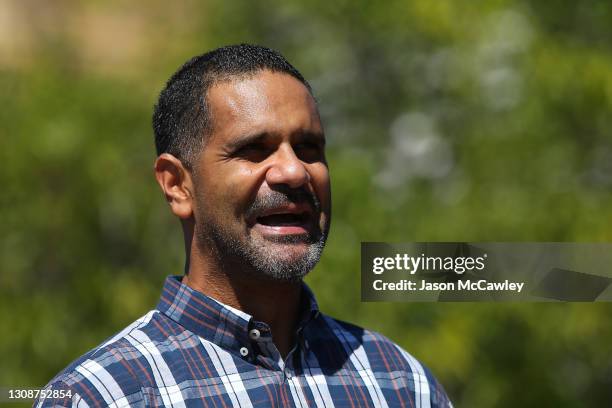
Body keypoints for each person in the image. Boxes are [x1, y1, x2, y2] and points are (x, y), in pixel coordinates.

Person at [36, 44, 452, 407]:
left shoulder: (399, 384)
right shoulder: (106, 395)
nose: (293, 171)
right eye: (254, 150)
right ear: (178, 186)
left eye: (309, 148)